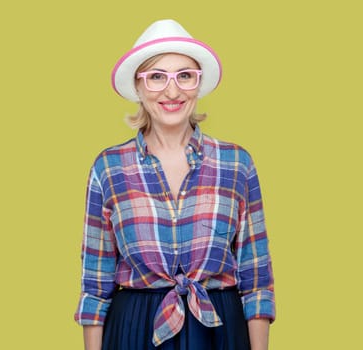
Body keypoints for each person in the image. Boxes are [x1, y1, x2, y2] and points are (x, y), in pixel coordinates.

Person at [74, 19, 275, 350]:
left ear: (198, 84)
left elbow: (257, 281)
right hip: (135, 329)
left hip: (220, 327)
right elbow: (95, 285)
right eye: (156, 77)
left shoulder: (237, 163)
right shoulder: (109, 168)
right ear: (138, 88)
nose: (172, 91)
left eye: (184, 76)